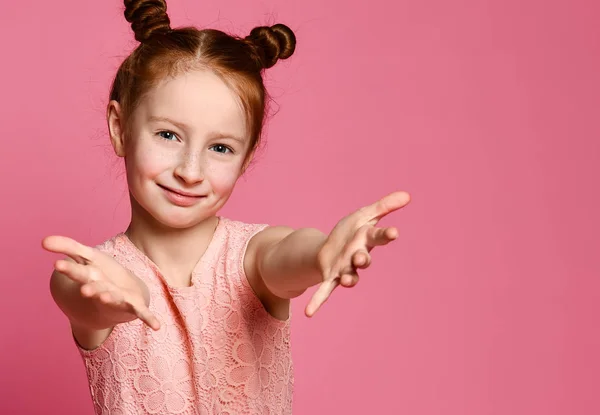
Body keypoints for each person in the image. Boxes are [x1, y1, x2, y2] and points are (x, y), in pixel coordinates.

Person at [42, 0, 411, 413]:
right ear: (120, 127)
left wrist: (322, 251)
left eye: (220, 147)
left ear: (247, 157)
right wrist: (106, 299)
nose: (191, 170)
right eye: (168, 135)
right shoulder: (98, 274)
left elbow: (285, 255)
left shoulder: (250, 257)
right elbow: (78, 293)